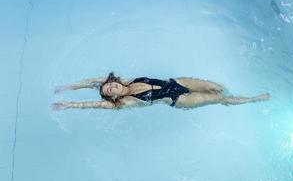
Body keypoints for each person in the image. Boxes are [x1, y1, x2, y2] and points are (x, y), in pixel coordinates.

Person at [52, 72, 270, 110]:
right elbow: (97, 104)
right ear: (115, 97)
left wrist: (68, 87)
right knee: (219, 98)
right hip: (179, 98)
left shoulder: (128, 81)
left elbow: (95, 81)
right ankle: (253, 99)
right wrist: (71, 104)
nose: (112, 86)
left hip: (178, 81)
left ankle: (236, 95)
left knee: (218, 87)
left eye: (110, 84)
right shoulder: (127, 101)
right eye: (110, 90)